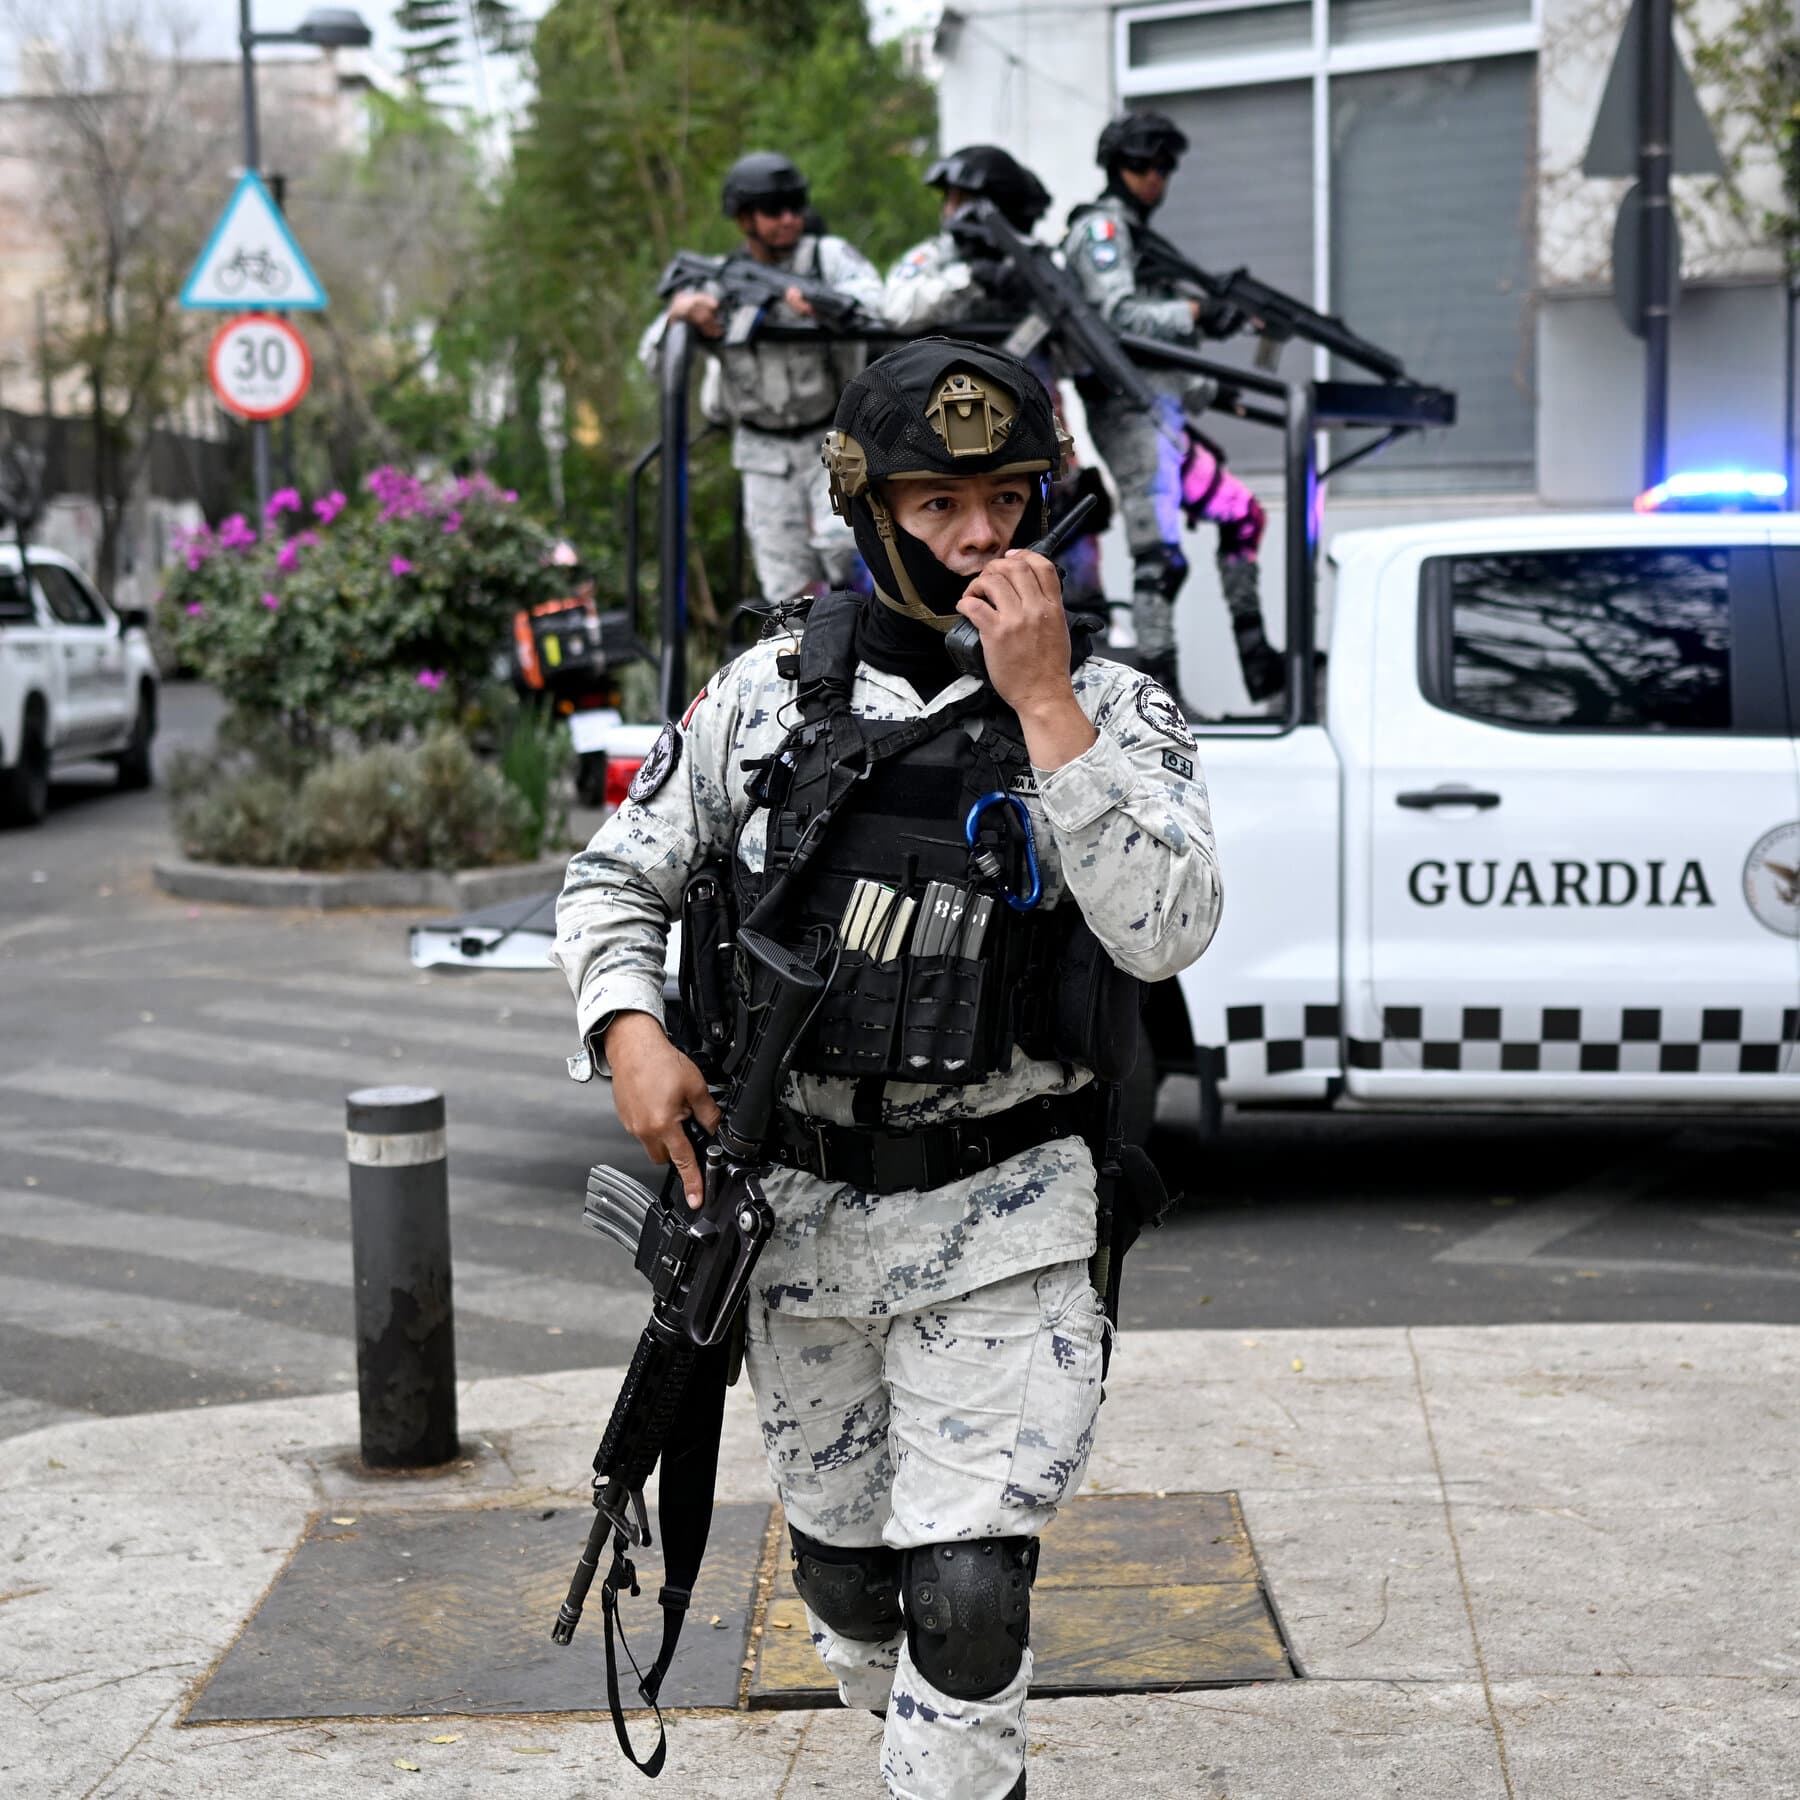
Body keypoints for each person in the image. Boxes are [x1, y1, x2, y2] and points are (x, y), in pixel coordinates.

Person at [553, 338, 1222, 1800]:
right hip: (799, 1227)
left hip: (1012, 1216)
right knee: (856, 1595)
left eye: (1007, 499)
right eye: (939, 505)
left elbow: (1167, 929)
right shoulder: (767, 694)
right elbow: (613, 879)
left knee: (969, 1597)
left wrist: (1047, 708)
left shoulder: (1115, 705)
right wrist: (629, 1029)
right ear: (868, 512)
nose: (982, 535)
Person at [1064, 112, 1283, 713]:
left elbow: (1156, 345)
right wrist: (1194, 314)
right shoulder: (1102, 229)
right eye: (1143, 165)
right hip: (1130, 415)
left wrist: (1209, 363)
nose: (1155, 177)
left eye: (1165, 167)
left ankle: (1261, 668)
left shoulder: (1141, 239)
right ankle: (1160, 698)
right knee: (1158, 558)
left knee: (1243, 516)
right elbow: (1116, 317)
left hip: (1164, 413)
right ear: (1117, 166)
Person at [881, 144, 1109, 626]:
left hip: (1032, 432)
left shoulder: (1036, 261)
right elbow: (897, 305)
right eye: (951, 199)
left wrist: (1035, 292)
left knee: (1069, 530)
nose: (952, 210)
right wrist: (972, 278)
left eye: (963, 199)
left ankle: (1081, 632)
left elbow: (1082, 352)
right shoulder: (936, 258)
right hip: (943, 434)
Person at [643, 151, 883, 604]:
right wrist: (680, 315)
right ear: (744, 219)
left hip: (832, 438)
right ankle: (810, 646)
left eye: (795, 207)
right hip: (761, 451)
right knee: (786, 585)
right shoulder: (718, 278)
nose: (789, 219)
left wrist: (827, 307)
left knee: (848, 551)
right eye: (774, 210)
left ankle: (862, 632)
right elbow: (654, 358)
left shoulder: (824, 258)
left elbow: (875, 300)